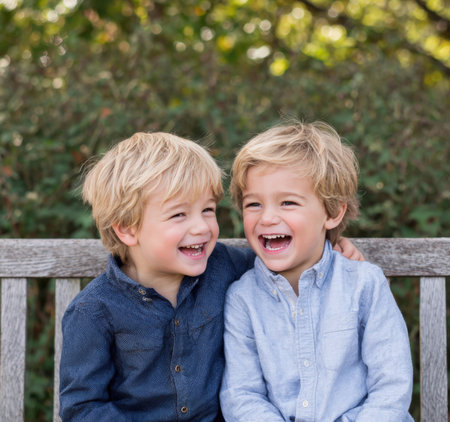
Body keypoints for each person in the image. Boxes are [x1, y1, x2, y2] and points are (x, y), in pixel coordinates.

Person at [59, 131, 362, 422]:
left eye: (207, 210)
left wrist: (330, 251)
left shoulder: (226, 267)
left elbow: (285, 256)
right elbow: (83, 407)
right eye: (179, 214)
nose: (202, 227)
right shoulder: (94, 311)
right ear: (127, 228)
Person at [220, 121, 414, 421]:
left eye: (288, 202)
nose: (268, 217)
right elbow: (242, 395)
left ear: (333, 212)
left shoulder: (364, 284)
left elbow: (391, 386)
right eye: (254, 204)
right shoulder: (242, 298)